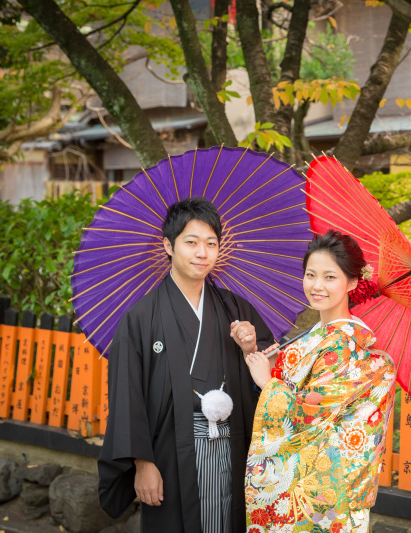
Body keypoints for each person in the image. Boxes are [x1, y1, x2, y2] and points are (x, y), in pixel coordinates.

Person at [98, 197, 276, 533]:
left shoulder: (235, 308)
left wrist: (252, 348)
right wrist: (142, 463)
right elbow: (127, 398)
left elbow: (269, 375)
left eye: (211, 243)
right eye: (191, 242)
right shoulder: (140, 318)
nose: (202, 253)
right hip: (169, 452)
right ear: (168, 245)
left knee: (230, 521)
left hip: (233, 446)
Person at [243, 230, 397, 533]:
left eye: (330, 277)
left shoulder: (342, 341)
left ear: (352, 282)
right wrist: (277, 366)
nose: (316, 286)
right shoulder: (320, 334)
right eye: (310, 275)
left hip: (324, 493)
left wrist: (267, 382)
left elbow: (311, 412)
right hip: (325, 488)